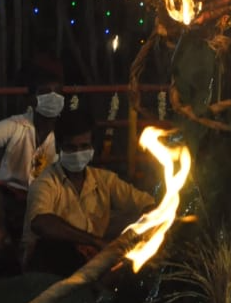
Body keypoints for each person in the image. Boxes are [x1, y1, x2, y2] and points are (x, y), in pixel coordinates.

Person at [22, 105, 155, 276]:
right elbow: (41, 223)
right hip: (50, 265)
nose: (78, 153)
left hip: (91, 262)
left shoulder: (105, 180)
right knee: (57, 249)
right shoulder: (46, 182)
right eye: (71, 147)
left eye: (84, 146)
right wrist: (94, 241)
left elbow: (147, 205)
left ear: (92, 147)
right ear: (58, 147)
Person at [0, 59, 65, 243]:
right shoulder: (16, 125)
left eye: (57, 93)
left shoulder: (65, 134)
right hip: (9, 195)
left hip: (44, 198)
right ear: (32, 99)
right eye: (45, 93)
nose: (53, 97)